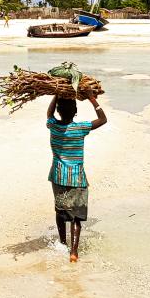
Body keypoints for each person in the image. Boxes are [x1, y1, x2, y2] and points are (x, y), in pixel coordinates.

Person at [46, 90, 107, 262]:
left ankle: (63, 243)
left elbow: (49, 114)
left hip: (58, 176)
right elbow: (103, 119)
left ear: (59, 111)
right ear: (75, 112)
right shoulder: (80, 128)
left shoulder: (54, 126)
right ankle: (73, 252)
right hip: (77, 178)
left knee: (60, 211)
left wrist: (56, 95)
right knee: (76, 217)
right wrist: (91, 98)